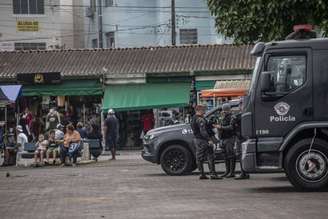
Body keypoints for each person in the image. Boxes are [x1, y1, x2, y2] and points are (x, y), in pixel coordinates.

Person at [191, 105, 221, 180]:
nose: (204, 111)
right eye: (203, 110)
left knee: (199, 157)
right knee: (210, 156)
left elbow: (205, 126)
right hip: (203, 140)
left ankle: (202, 174)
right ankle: (212, 174)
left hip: (198, 140)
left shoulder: (194, 118)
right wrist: (209, 140)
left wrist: (212, 125)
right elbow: (203, 131)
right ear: (199, 110)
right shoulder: (200, 119)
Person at [219, 103, 236, 178]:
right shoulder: (223, 117)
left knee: (231, 155)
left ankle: (232, 172)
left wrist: (221, 127)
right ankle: (227, 171)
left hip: (230, 138)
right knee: (225, 156)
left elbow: (231, 127)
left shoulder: (232, 117)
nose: (224, 112)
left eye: (225, 110)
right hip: (223, 138)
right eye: (223, 110)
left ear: (228, 110)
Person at [233, 110, 250, 180]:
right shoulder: (244, 114)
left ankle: (243, 173)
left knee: (240, 155)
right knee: (243, 154)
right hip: (244, 137)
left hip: (240, 138)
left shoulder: (238, 116)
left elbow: (234, 126)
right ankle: (245, 172)